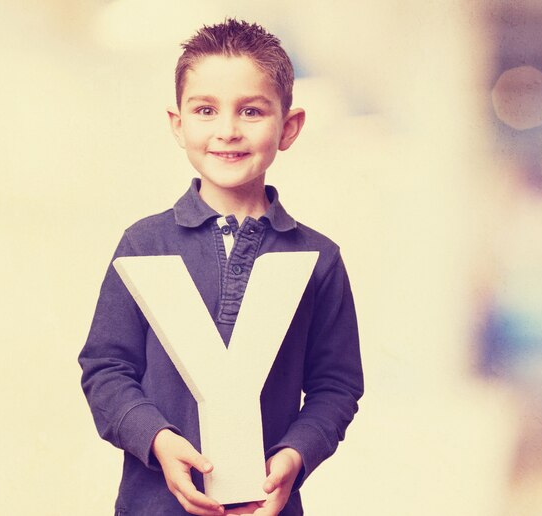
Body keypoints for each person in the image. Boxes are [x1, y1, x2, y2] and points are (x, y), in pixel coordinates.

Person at [79, 19, 363, 516]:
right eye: (206, 110)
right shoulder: (143, 244)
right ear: (178, 123)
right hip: (153, 506)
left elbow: (335, 387)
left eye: (251, 110)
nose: (228, 130)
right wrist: (157, 440)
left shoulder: (320, 259)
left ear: (289, 127)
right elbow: (106, 370)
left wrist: (296, 454)